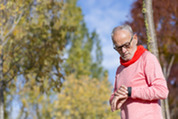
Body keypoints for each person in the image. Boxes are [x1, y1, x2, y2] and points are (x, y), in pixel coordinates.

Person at [109, 24, 169, 119]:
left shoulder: (147, 59)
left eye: (126, 45)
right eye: (119, 48)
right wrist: (115, 100)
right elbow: (113, 98)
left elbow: (162, 91)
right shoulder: (119, 70)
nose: (124, 51)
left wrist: (130, 92)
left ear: (135, 39)